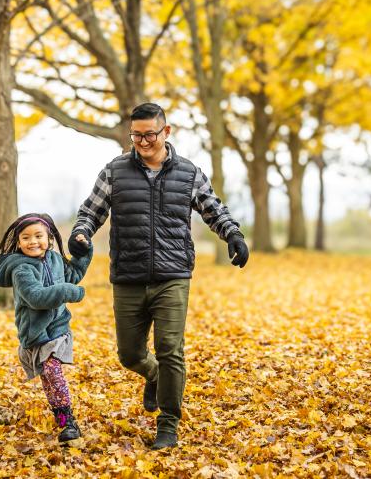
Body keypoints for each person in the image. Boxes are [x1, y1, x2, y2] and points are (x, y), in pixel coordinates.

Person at [69, 102, 249, 450]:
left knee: (170, 350)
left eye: (149, 134)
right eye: (135, 135)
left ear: (166, 132)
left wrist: (233, 235)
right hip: (129, 275)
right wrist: (81, 234)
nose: (142, 142)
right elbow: (90, 212)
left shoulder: (189, 172)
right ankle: (152, 375)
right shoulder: (114, 172)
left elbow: (214, 209)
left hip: (173, 274)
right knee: (130, 355)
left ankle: (168, 424)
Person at [0, 212, 92, 443]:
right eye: (26, 237)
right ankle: (62, 420)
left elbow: (73, 274)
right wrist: (69, 292)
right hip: (35, 332)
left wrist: (82, 253)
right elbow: (36, 297)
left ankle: (68, 423)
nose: (33, 242)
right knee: (48, 379)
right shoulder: (21, 269)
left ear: (49, 238)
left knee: (51, 371)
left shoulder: (55, 259)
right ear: (18, 242)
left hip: (58, 328)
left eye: (38, 236)